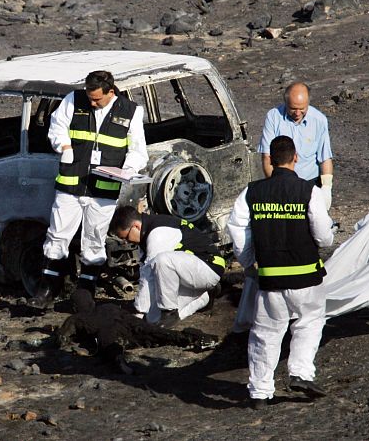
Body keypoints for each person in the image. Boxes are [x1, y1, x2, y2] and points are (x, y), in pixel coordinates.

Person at [227, 135, 334, 409]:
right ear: (295, 157)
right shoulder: (308, 191)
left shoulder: (251, 192)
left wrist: (249, 260)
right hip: (307, 277)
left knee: (265, 334)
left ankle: (260, 392)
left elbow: (236, 228)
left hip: (271, 278)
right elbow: (323, 237)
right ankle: (300, 373)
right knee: (309, 322)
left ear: (269, 160)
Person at [30, 70, 148, 307]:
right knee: (57, 234)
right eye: (89, 97)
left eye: (97, 99)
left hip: (104, 189)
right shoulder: (74, 100)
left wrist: (127, 169)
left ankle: (85, 293)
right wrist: (63, 146)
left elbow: (138, 151)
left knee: (94, 238)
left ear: (111, 92)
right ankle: (46, 290)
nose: (92, 102)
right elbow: (57, 125)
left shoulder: (131, 111)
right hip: (70, 184)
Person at [108, 206, 225, 328]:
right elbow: (145, 274)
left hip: (208, 268)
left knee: (162, 261)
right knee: (153, 320)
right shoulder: (145, 234)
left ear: (136, 226)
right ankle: (203, 298)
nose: (126, 242)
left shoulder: (158, 233)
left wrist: (139, 311)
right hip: (188, 273)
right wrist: (143, 313)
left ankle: (169, 311)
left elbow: (149, 274)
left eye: (126, 237)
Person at [57, 289, 219, 375]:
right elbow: (124, 315)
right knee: (159, 334)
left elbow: (61, 338)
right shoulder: (108, 306)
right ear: (92, 301)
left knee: (109, 345)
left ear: (75, 306)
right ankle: (197, 338)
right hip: (129, 323)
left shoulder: (75, 318)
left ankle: (119, 361)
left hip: (108, 330)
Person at [258, 82, 333, 210]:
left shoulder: (319, 120)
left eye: (302, 108)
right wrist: (275, 186)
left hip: (309, 183)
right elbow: (267, 157)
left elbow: (325, 157)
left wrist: (326, 188)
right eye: (293, 108)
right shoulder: (273, 117)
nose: (297, 113)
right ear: (285, 103)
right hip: (281, 182)